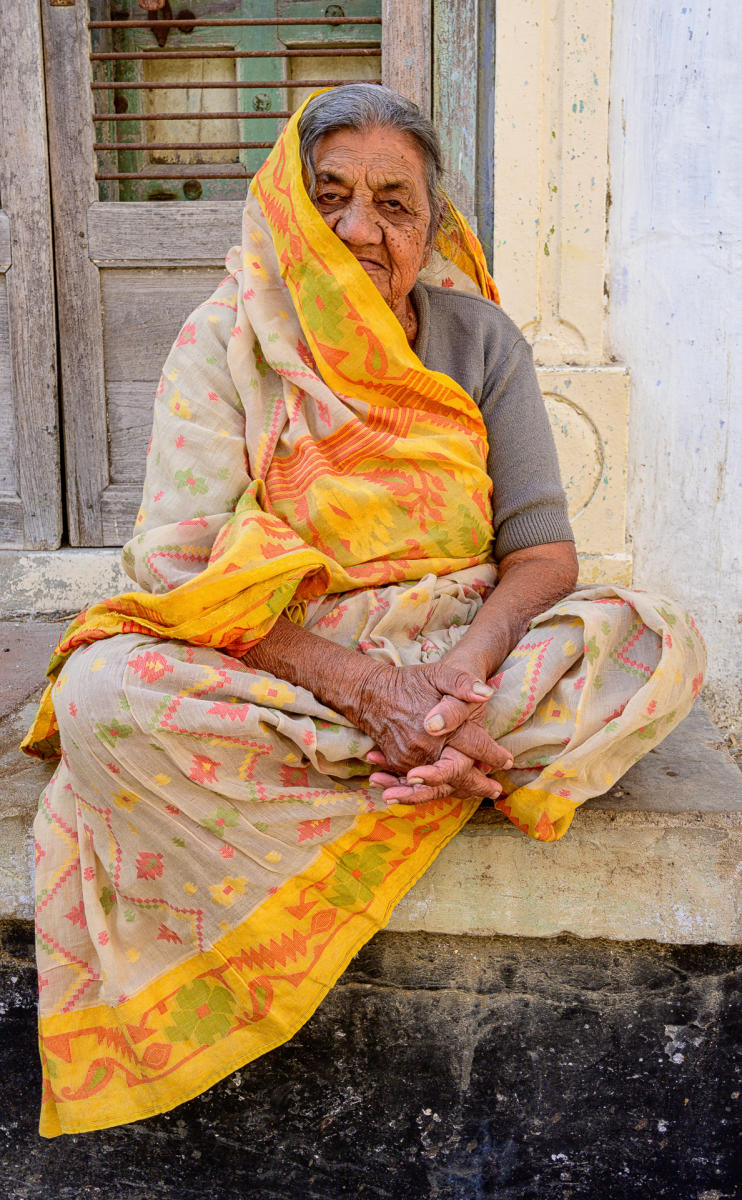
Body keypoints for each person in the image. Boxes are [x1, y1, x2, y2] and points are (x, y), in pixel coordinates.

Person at [23, 85, 705, 1138]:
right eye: (329, 195)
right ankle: (452, 759)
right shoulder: (227, 339)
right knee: (108, 690)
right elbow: (177, 574)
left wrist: (458, 676)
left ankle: (428, 741)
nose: (358, 228)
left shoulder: (479, 339)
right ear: (289, 208)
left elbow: (542, 553)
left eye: (394, 203)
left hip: (455, 645)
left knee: (661, 638)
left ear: (431, 225)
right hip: (291, 659)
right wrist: (372, 688)